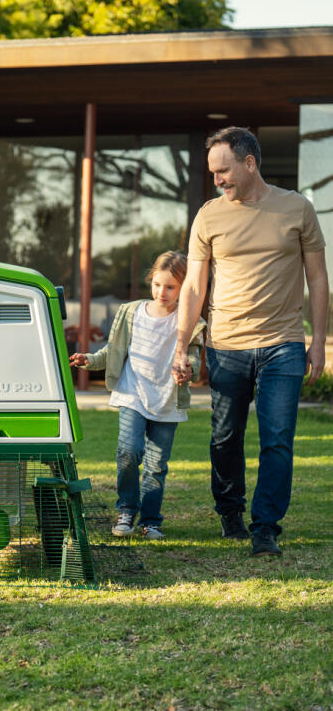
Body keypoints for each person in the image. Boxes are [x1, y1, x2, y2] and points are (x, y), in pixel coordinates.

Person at [173, 126, 329, 558]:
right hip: (226, 345)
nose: (217, 179)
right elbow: (193, 289)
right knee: (225, 437)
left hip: (283, 344)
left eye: (223, 170)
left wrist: (318, 341)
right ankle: (230, 512)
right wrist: (182, 344)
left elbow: (317, 277)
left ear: (249, 162)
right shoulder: (208, 216)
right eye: (212, 173)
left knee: (277, 438)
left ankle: (266, 527)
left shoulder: (297, 209)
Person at [70, 251, 206, 540]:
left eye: (170, 287)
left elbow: (194, 358)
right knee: (128, 453)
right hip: (133, 393)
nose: (162, 292)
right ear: (150, 281)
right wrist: (90, 361)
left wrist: (188, 371)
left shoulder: (189, 319)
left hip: (167, 400)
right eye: (157, 284)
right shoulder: (132, 312)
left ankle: (151, 521)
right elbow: (114, 351)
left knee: (157, 465)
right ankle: (126, 510)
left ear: (183, 288)